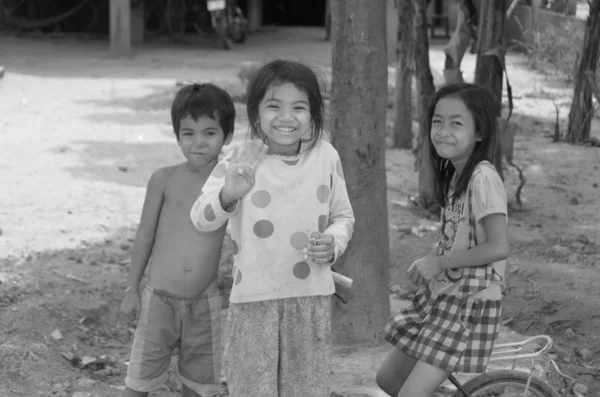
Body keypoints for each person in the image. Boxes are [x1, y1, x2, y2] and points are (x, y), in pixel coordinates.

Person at [190, 59, 355, 397]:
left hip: (310, 300)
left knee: (307, 389)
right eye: (273, 106)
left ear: (313, 114)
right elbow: (200, 218)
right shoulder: (241, 159)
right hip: (253, 301)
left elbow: (344, 217)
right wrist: (228, 194)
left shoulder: (326, 156)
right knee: (252, 389)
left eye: (299, 107)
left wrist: (334, 242)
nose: (286, 117)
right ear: (256, 113)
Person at [376, 83, 509, 397]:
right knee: (389, 380)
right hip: (446, 296)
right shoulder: (456, 175)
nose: (443, 130)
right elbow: (458, 237)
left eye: (456, 123)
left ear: (479, 133)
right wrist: (434, 262)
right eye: (437, 121)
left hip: (469, 305)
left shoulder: (483, 178)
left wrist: (439, 262)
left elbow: (497, 246)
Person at [120, 83, 236, 397]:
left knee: (199, 388)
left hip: (204, 303)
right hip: (159, 299)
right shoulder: (163, 179)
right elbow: (145, 234)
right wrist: (133, 288)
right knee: (139, 382)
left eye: (210, 133)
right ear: (177, 135)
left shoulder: (231, 184)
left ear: (227, 136)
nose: (199, 143)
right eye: (189, 133)